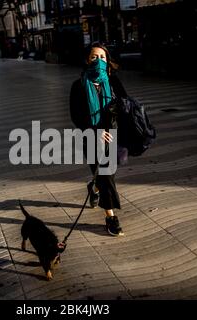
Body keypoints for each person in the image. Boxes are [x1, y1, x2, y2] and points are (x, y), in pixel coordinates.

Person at [69, 42, 127, 237]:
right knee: (105, 176)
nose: (99, 61)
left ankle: (92, 188)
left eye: (103, 57)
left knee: (108, 173)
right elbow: (75, 115)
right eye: (95, 57)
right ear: (87, 60)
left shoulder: (114, 82)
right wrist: (94, 130)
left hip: (112, 136)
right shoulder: (78, 86)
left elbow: (125, 106)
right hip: (90, 137)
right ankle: (111, 218)